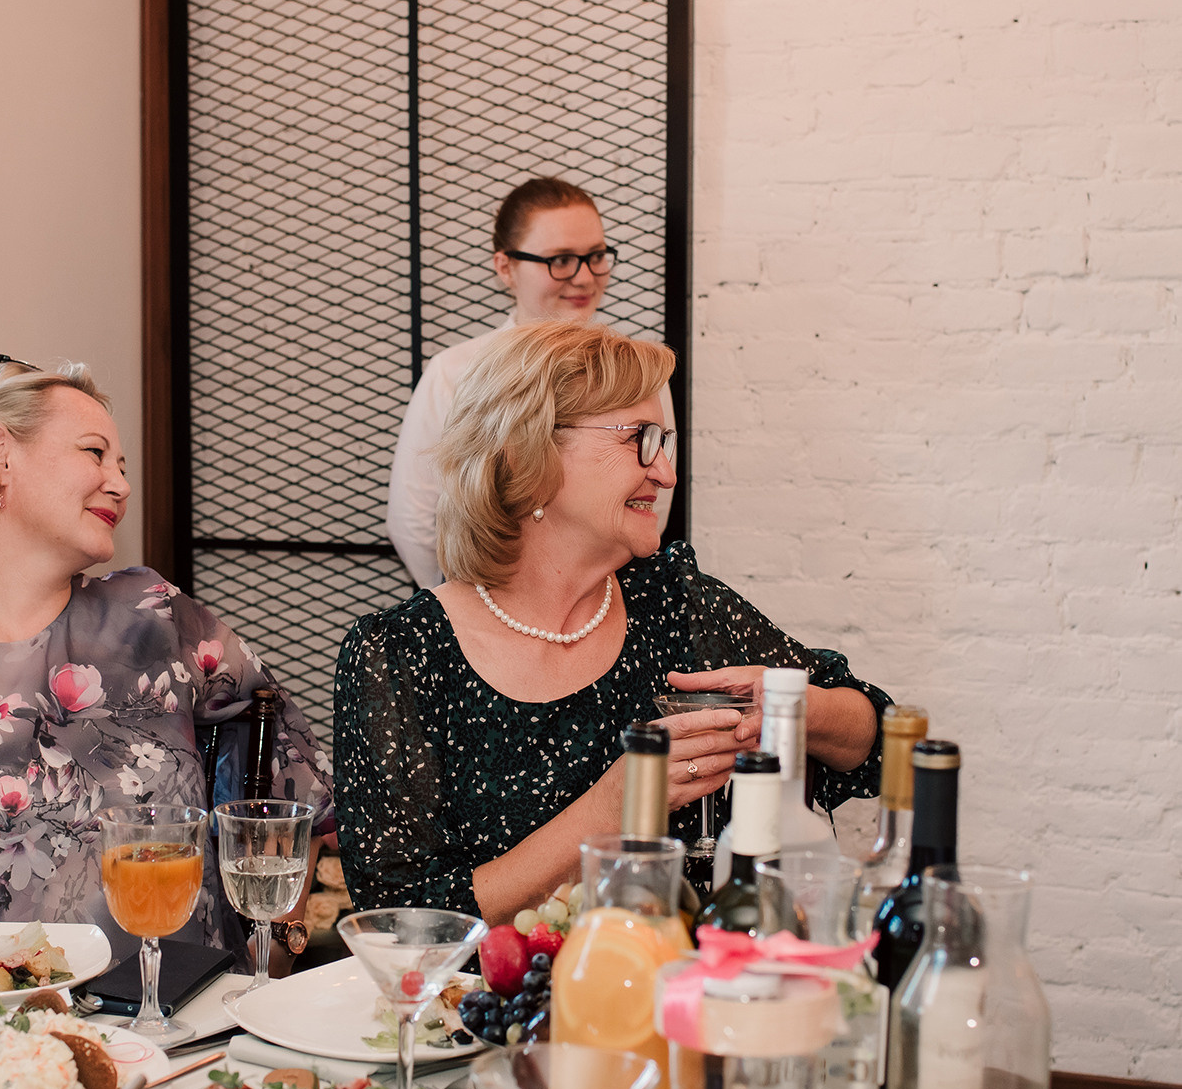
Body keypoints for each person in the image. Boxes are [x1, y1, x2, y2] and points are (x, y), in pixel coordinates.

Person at [336, 322, 889, 923]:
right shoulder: (401, 654)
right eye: (640, 440)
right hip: (492, 988)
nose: (666, 473)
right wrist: (613, 808)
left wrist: (795, 709)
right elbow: (401, 921)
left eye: (664, 442)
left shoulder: (675, 604)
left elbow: (880, 741)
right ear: (526, 453)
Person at [0, 355, 334, 959]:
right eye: (94, 453)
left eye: (121, 466)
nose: (121, 485)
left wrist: (274, 947)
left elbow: (293, 771)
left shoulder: (153, 616)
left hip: (188, 1003)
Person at [387, 175, 675, 587]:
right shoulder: (454, 375)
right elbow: (412, 520)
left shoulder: (641, 376)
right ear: (505, 267)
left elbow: (651, 503)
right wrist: (470, 608)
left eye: (596, 255)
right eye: (560, 260)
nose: (584, 277)